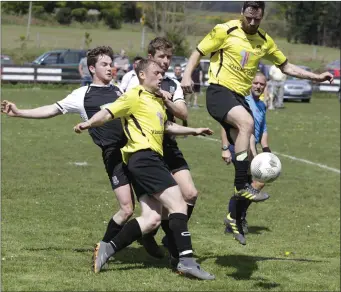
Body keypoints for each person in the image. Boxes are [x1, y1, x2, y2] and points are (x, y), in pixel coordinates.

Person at [181, 1, 333, 245]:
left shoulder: (264, 40)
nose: (252, 23)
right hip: (219, 92)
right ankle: (240, 185)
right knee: (247, 122)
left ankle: (235, 215)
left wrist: (316, 76)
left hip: (238, 98)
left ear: (262, 17)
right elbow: (198, 51)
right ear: (242, 13)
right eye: (248, 17)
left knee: (256, 166)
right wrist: (187, 74)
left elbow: (285, 66)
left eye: (257, 19)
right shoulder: (225, 30)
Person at [1, 46, 163, 258]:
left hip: (136, 152)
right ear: (91, 69)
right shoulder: (82, 95)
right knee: (126, 209)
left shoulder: (118, 90)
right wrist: (19, 112)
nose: (110, 68)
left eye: (110, 64)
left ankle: (147, 236)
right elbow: (52, 109)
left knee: (157, 202)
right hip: (113, 155)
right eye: (104, 64)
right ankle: (104, 248)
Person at [73, 59, 215, 280]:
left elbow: (166, 126)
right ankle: (186, 260)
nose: (161, 77)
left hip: (145, 160)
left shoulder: (156, 100)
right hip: (144, 158)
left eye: (162, 74)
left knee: (151, 219)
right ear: (141, 75)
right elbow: (108, 112)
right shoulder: (133, 96)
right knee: (178, 203)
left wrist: (194, 130)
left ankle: (107, 248)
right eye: (157, 73)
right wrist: (89, 123)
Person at [147, 37, 200, 258]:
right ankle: (152, 236)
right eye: (161, 56)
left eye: (169, 57)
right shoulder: (134, 80)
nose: (166, 61)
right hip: (147, 149)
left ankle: (170, 238)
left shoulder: (172, 84)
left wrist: (165, 99)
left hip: (169, 146)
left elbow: (183, 113)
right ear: (151, 57)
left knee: (190, 193)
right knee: (154, 212)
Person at [221, 72, 270, 243]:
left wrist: (266, 148)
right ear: (250, 84)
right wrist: (225, 148)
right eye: (255, 83)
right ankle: (234, 218)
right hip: (238, 146)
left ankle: (236, 217)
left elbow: (263, 129)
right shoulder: (242, 102)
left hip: (253, 147)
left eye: (261, 84)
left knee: (255, 183)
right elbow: (225, 125)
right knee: (248, 184)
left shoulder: (262, 106)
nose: (258, 86)